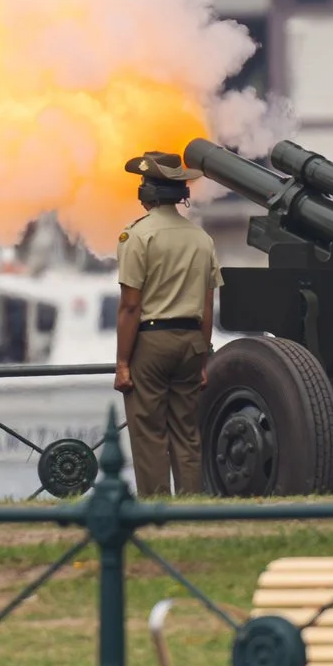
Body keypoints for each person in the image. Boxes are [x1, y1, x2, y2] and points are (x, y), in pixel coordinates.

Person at [113, 149, 221, 498]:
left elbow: (131, 307)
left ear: (148, 192)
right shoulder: (201, 239)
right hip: (191, 342)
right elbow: (207, 306)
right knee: (187, 433)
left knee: (149, 433)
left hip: (152, 342)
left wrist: (123, 363)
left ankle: (156, 509)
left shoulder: (138, 236)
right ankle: (191, 508)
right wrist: (202, 358)